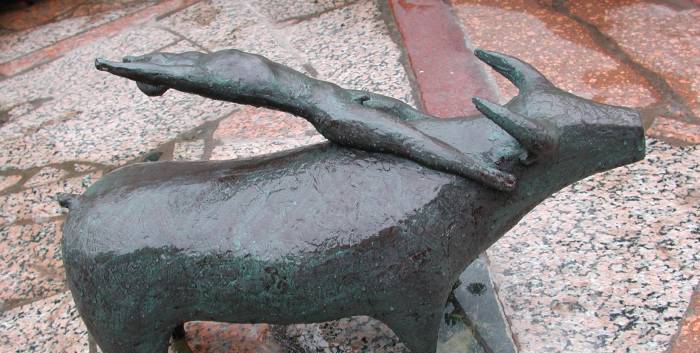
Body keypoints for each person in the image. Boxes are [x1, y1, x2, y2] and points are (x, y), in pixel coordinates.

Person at [95, 49, 515, 191]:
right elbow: (415, 144)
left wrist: (135, 67)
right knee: (408, 137)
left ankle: (138, 68)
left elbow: (177, 66)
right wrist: (485, 174)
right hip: (338, 110)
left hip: (341, 97)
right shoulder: (340, 116)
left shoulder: (224, 67)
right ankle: (137, 68)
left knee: (410, 123)